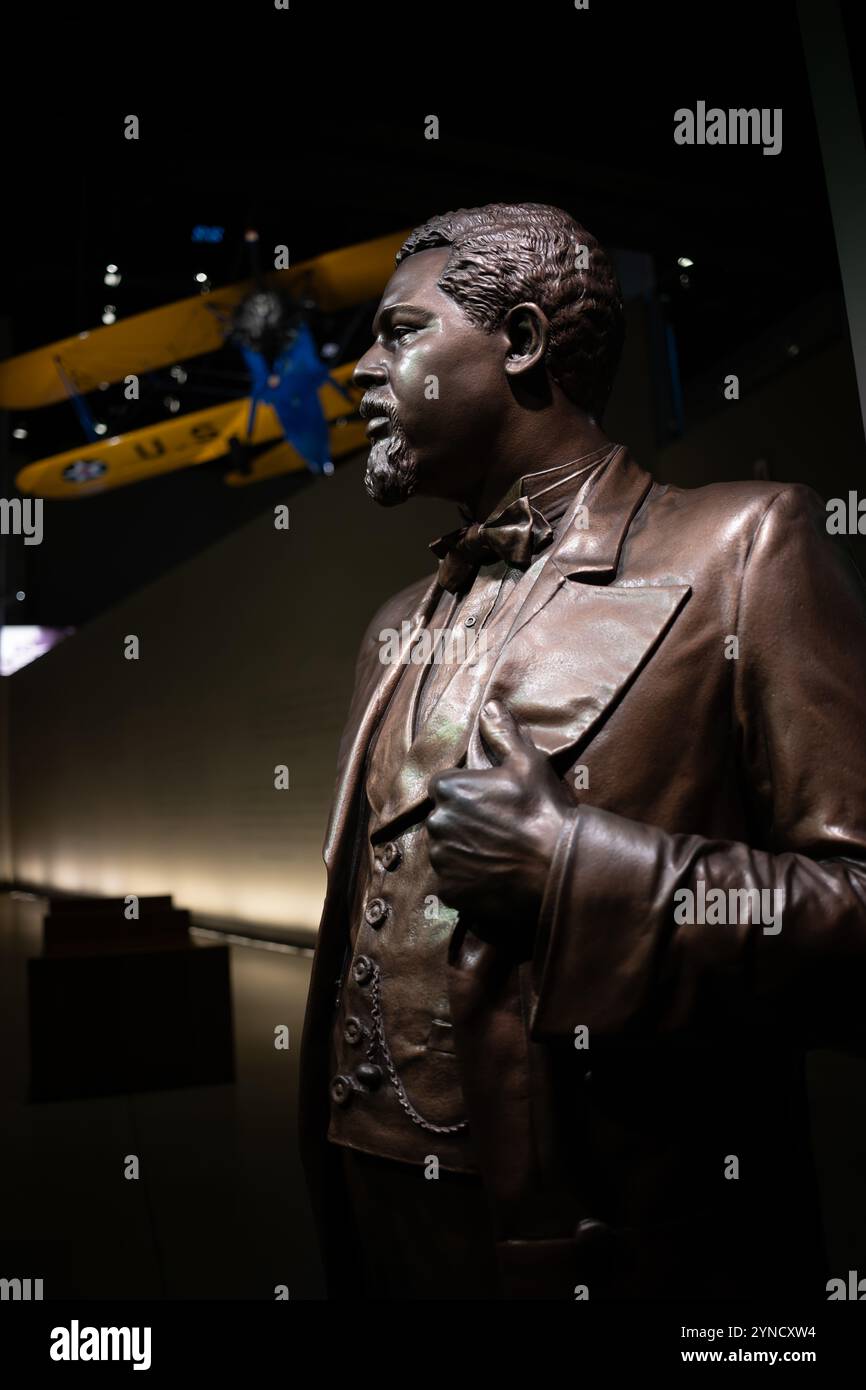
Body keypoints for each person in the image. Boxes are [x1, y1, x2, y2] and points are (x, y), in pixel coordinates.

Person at [298, 202, 866, 1300]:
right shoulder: (391, 625)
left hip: (604, 1238)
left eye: (398, 333)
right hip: (377, 1209)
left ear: (515, 339)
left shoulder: (740, 549)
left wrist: (578, 871)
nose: (360, 371)